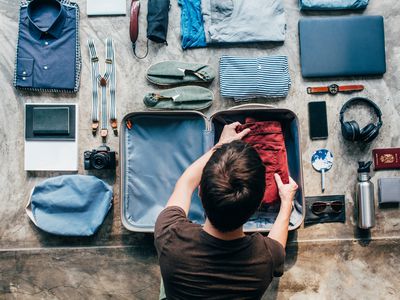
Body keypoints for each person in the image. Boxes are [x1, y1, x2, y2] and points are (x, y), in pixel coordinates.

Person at [154, 122, 298, 300]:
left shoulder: (169, 236)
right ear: (259, 203)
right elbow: (277, 245)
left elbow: (185, 182)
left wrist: (220, 147)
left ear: (200, 192)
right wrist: (286, 203)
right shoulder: (268, 257)